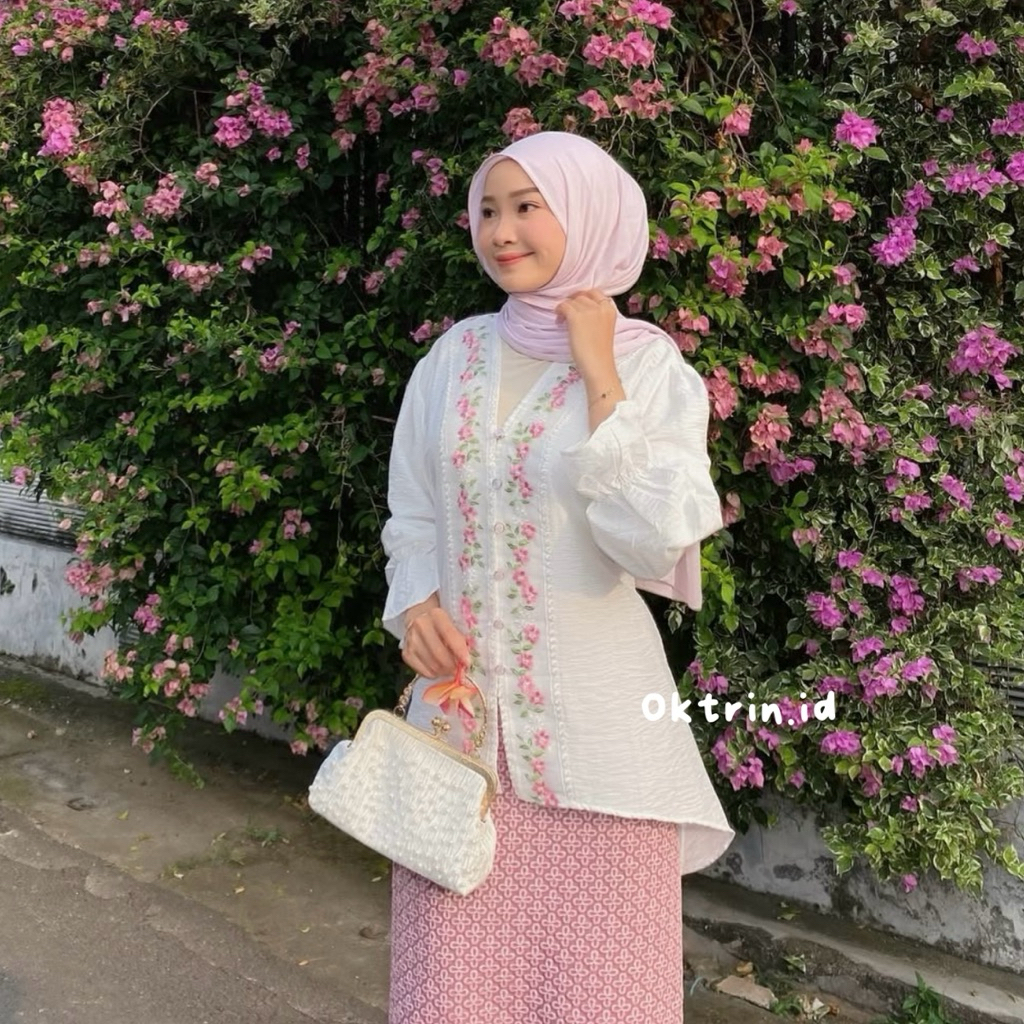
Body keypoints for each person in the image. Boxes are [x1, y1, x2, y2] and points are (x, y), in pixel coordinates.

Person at [380, 130, 734, 1024]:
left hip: (600, 759)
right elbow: (412, 511)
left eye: (527, 207)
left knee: (599, 998)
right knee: (450, 997)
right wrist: (416, 605)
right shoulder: (451, 358)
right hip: (459, 751)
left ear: (587, 214)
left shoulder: (646, 364)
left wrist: (598, 368)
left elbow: (656, 542)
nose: (501, 231)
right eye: (487, 210)